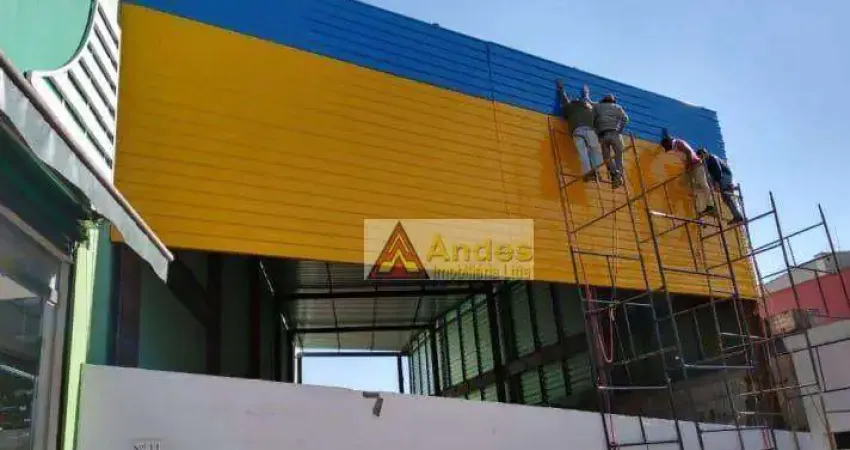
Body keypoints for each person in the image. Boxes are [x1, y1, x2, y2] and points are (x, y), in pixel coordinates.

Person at [659, 129, 715, 217]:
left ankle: (710, 205)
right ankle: (700, 197)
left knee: (703, 184)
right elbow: (668, 140)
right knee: (683, 183)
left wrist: (688, 165)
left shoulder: (678, 143)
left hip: (696, 165)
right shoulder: (673, 145)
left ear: (669, 143)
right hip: (690, 167)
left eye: (668, 148)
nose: (669, 150)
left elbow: (688, 152)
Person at [556, 80, 602, 182]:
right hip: (590, 131)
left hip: (577, 131)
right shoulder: (587, 107)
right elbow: (588, 101)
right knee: (595, 152)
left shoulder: (570, 106)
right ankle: (596, 172)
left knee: (583, 153)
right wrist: (586, 93)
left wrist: (561, 89)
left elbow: (564, 99)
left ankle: (588, 173)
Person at [697, 148, 745, 225]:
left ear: (704, 153)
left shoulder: (712, 158)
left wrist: (717, 182)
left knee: (726, 196)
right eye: (700, 158)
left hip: (724, 176)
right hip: (723, 176)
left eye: (701, 157)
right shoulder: (707, 161)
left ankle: (738, 217)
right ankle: (737, 216)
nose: (701, 159)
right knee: (726, 198)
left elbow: (718, 171)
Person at [594, 94, 629, 188]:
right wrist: (619, 130)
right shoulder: (617, 107)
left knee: (607, 158)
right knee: (618, 158)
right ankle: (619, 177)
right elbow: (625, 119)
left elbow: (593, 120)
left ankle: (614, 173)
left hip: (604, 135)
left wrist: (598, 133)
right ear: (613, 101)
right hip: (615, 134)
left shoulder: (598, 107)